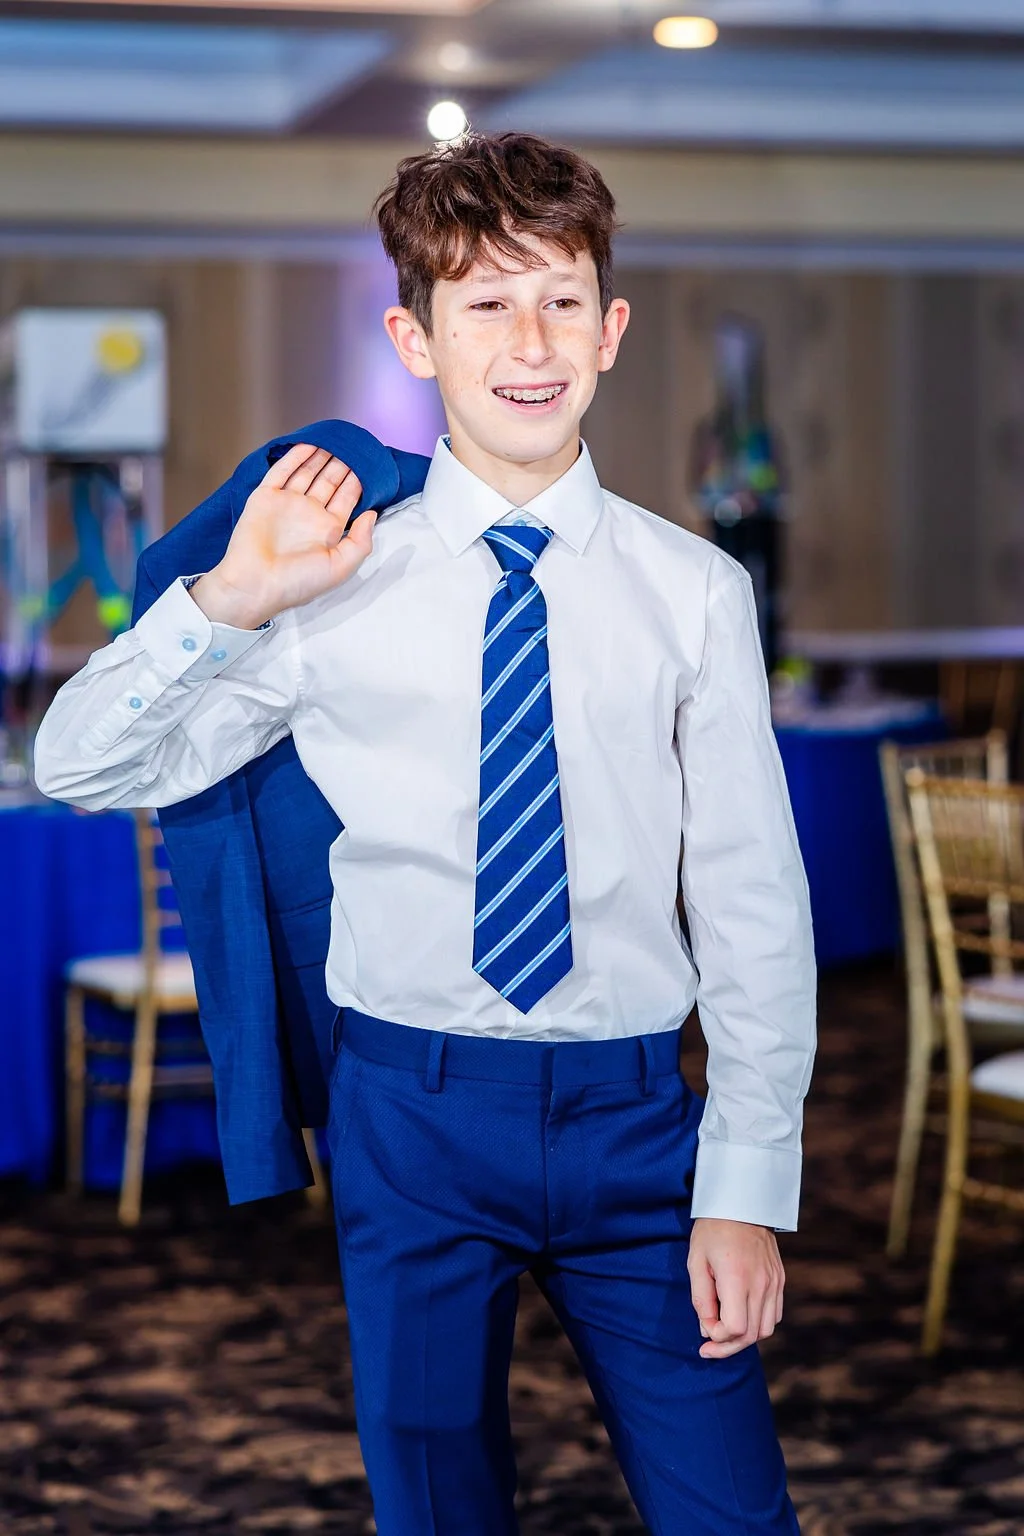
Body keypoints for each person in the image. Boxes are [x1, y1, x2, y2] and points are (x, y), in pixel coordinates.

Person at [35, 132, 815, 1535]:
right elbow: (82, 762)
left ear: (611, 328)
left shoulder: (693, 591)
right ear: (413, 336)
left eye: (561, 299)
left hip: (642, 1124)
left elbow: (756, 904)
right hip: (409, 1117)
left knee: (732, 1515)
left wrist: (749, 1187)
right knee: (436, 1508)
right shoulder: (334, 582)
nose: (530, 340)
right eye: (484, 303)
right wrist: (231, 600)